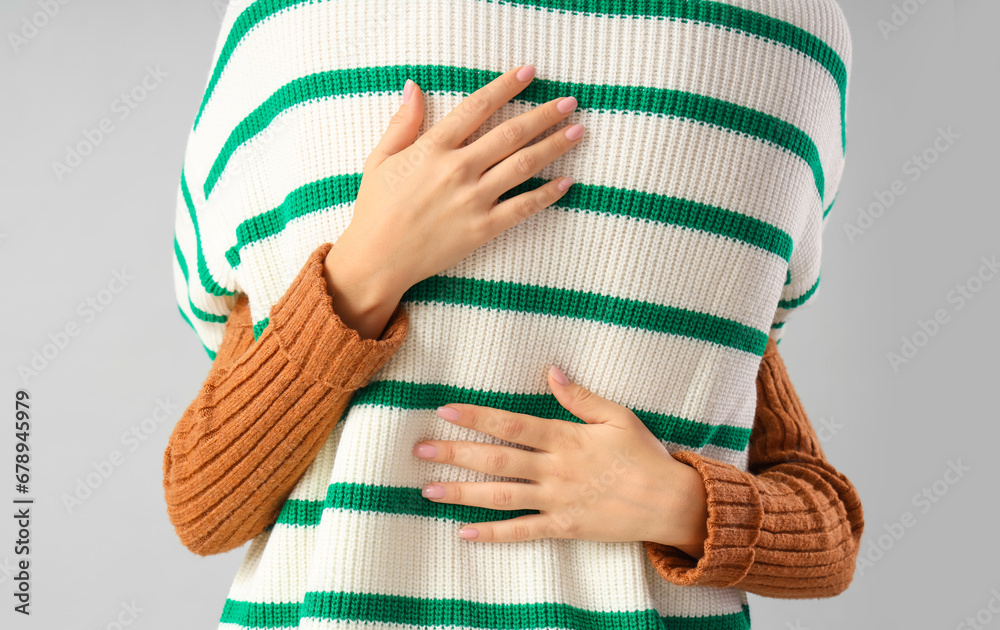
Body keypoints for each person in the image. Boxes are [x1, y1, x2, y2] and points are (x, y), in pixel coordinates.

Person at [165, 2, 862, 628]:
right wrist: (364, 269)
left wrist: (681, 504)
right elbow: (201, 504)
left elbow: (204, 505)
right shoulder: (801, 40)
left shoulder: (283, 22)